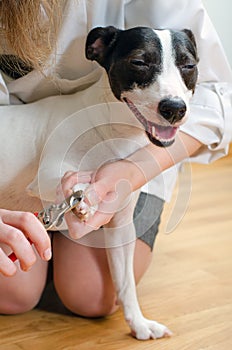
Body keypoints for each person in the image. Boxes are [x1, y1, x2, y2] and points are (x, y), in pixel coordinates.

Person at [0, 0, 231, 318]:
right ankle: (52, 253)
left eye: (186, 67)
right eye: (140, 63)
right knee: (13, 294)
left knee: (92, 296)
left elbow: (217, 97)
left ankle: (62, 257)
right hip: (21, 159)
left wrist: (134, 170)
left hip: (139, 144)